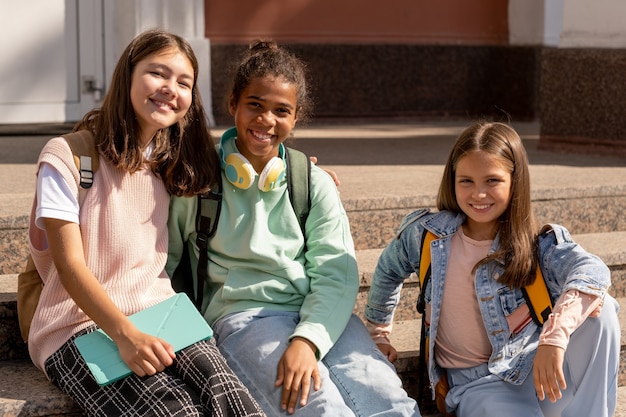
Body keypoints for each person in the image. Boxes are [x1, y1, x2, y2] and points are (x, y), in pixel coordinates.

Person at [166, 40, 421, 417]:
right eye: (255, 105)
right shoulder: (198, 182)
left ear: (296, 116)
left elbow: (336, 273)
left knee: (387, 399)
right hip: (242, 320)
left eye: (281, 110)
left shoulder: (311, 182)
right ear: (233, 102)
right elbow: (161, 265)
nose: (266, 120)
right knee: (318, 406)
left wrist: (308, 339)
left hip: (318, 312)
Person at [26, 29, 266, 417]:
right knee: (177, 411)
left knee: (235, 402)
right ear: (128, 76)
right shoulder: (67, 155)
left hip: (160, 311)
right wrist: (125, 334)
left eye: (184, 82)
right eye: (158, 73)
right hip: (77, 326)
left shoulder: (172, 158)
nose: (171, 88)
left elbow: (245, 159)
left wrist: (302, 170)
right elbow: (70, 266)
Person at [365, 121, 620, 417]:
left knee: (602, 314)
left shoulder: (538, 244)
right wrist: (378, 334)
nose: (479, 194)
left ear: (515, 181)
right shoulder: (428, 236)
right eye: (467, 181)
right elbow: (387, 268)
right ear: (452, 180)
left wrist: (555, 336)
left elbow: (593, 271)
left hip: (536, 369)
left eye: (492, 181)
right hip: (477, 386)